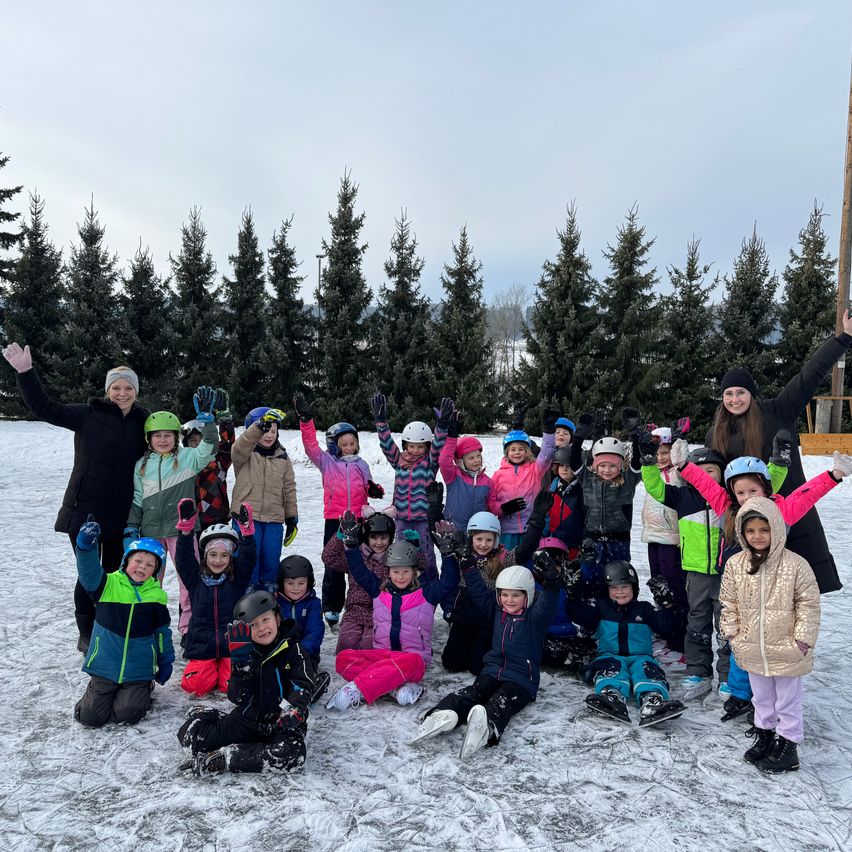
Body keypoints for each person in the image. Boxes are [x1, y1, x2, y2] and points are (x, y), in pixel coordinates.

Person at [2, 343, 149, 652]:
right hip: (85, 509)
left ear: (136, 391)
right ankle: (86, 630)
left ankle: (108, 625)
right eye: (116, 388)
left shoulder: (143, 423)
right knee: (88, 573)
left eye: (128, 388)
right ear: (108, 390)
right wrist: (26, 373)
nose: (122, 393)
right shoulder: (88, 414)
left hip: (122, 511)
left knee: (114, 572)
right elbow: (44, 408)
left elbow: (166, 445)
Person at [707, 311, 852, 593]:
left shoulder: (777, 411)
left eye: (741, 392)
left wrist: (843, 338)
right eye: (728, 394)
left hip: (791, 515)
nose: (735, 399)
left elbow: (809, 375)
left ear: (751, 394)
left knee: (798, 592)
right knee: (756, 594)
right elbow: (713, 481)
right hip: (749, 526)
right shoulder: (716, 434)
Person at [412, 552, 561, 759]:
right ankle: (445, 713)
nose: (509, 600)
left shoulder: (534, 619)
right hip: (493, 670)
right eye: (504, 595)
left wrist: (552, 582)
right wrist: (469, 567)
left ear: (527, 595)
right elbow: (480, 592)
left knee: (502, 699)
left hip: (521, 679)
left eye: (516, 595)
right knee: (474, 691)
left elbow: (548, 604)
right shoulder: (497, 611)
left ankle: (488, 726)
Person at [720, 498, 820, 773]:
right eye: (751, 531)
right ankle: (765, 735)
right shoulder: (736, 564)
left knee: (787, 700)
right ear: (742, 532)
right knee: (761, 697)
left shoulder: (795, 564)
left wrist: (801, 640)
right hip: (752, 646)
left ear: (776, 528)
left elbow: (809, 604)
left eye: (764, 530)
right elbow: (728, 601)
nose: (757, 536)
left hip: (787, 647)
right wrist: (733, 633)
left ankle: (788, 745)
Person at [324, 513, 460, 710]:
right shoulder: (378, 590)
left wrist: (447, 554)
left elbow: (450, 581)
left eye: (406, 571)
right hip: (384, 656)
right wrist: (351, 545)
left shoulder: (427, 594)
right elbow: (359, 571)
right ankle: (395, 688)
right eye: (395, 571)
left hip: (411, 660)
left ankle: (358, 689)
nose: (400, 576)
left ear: (414, 571)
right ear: (387, 572)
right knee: (343, 659)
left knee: (414, 662)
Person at [177, 590, 315, 775]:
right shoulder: (245, 653)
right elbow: (238, 698)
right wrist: (240, 663)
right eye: (253, 625)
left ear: (277, 619)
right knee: (194, 740)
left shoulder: (294, 650)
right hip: (248, 719)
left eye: (265, 619)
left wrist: (295, 708)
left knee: (292, 755)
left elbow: (303, 683)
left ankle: (223, 760)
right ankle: (208, 715)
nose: (261, 628)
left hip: (283, 723)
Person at [125, 390, 219, 637]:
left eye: (168, 435)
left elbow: (209, 448)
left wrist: (208, 424)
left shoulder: (188, 458)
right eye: (157, 436)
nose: (163, 440)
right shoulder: (142, 465)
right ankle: (148, 626)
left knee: (189, 580)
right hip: (151, 531)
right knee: (148, 580)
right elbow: (137, 499)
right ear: (149, 439)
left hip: (182, 531)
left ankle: (190, 628)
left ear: (176, 437)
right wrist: (132, 525)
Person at [640, 443, 726, 700]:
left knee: (727, 627)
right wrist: (648, 463)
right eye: (699, 471)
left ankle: (728, 675)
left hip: (725, 574)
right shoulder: (682, 496)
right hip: (695, 572)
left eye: (710, 470)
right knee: (697, 623)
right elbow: (655, 488)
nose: (704, 476)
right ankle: (698, 671)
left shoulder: (727, 498)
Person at [73, 518, 173, 727]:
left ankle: (143, 688)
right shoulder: (108, 585)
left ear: (155, 571)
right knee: (89, 717)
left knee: (127, 714)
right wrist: (85, 546)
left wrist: (165, 662)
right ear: (126, 560)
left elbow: (162, 634)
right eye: (138, 560)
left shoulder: (156, 597)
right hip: (104, 666)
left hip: (138, 670)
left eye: (150, 565)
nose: (142, 567)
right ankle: (101, 693)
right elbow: (89, 571)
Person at [293, 393, 380, 631]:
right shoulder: (327, 462)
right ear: (335, 445)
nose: (349, 448)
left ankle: (362, 603)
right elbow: (310, 446)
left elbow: (368, 486)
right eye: (344, 444)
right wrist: (306, 421)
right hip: (335, 520)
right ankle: (332, 607)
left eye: (352, 443)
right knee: (333, 562)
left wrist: (374, 490)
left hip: (359, 519)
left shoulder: (362, 464)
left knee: (360, 562)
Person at [442, 493, 553, 676]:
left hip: (487, 623)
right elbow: (442, 540)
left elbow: (525, 550)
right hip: (462, 619)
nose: (483, 544)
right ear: (471, 539)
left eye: (489, 540)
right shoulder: (463, 555)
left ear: (496, 540)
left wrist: (537, 519)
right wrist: (434, 510)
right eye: (479, 539)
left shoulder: (503, 559)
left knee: (478, 668)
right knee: (451, 663)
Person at [565, 560, 686, 726]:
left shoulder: (644, 609)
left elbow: (667, 626)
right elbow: (579, 614)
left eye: (624, 587)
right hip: (610, 655)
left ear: (634, 588)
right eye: (614, 588)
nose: (619, 592)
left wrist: (668, 604)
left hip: (641, 657)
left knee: (647, 670)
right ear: (607, 590)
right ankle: (612, 696)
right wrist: (572, 595)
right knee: (610, 669)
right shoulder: (602, 609)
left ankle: (652, 699)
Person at [174, 500, 256, 696]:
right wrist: (186, 531)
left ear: (230, 557)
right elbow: (184, 559)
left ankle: (223, 670)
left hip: (232, 646)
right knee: (195, 686)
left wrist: (247, 534)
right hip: (202, 646)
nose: (218, 560)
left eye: (224, 555)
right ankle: (210, 669)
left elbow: (248, 559)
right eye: (213, 554)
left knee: (233, 687)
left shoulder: (236, 578)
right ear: (205, 555)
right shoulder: (195, 579)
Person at [322, 508, 429, 653]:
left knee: (370, 646)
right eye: (374, 537)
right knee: (347, 643)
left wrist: (415, 550)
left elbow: (420, 570)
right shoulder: (355, 555)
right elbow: (329, 557)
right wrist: (341, 536)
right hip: (355, 611)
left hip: (383, 613)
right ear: (367, 537)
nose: (379, 542)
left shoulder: (395, 558)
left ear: (390, 537)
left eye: (383, 537)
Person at [371, 393, 451, 579]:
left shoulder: (429, 463)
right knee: (403, 553)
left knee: (425, 553)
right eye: (411, 446)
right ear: (405, 445)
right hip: (402, 518)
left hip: (422, 519)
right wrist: (381, 422)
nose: (415, 450)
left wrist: (442, 426)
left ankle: (430, 581)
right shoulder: (399, 461)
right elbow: (387, 445)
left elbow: (438, 446)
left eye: (420, 447)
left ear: (426, 447)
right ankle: (405, 584)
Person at [568, 410, 643, 595]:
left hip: (619, 542)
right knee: (590, 582)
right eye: (602, 465)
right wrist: (579, 437)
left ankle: (618, 609)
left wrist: (635, 434)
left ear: (620, 466)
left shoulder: (627, 481)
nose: (607, 470)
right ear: (595, 466)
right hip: (592, 541)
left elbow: (637, 463)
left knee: (618, 581)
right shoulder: (588, 479)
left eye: (612, 466)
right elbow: (574, 462)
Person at [231, 406, 298, 593]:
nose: (269, 435)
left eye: (273, 431)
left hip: (274, 519)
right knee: (248, 562)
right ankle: (246, 597)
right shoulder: (244, 454)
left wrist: (291, 517)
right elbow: (239, 447)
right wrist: (259, 426)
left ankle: (268, 597)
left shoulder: (283, 457)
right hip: (246, 519)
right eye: (265, 430)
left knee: (270, 561)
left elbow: (289, 488)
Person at [487, 408, 558, 548]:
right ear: (507, 452)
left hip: (530, 528)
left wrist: (549, 430)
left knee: (530, 560)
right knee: (508, 560)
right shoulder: (498, 475)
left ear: (527, 452)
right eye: (513, 449)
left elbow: (547, 454)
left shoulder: (535, 469)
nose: (517, 453)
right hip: (507, 531)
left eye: (521, 449)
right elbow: (491, 504)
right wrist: (504, 508)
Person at [180, 387, 235, 530]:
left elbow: (228, 444)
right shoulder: (185, 464)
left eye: (202, 440)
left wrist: (224, 418)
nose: (198, 443)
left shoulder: (219, 461)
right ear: (186, 445)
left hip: (219, 519)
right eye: (193, 441)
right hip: (193, 523)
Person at [438, 410, 493, 532]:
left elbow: (492, 507)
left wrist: (503, 509)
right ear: (460, 461)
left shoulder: (488, 482)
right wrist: (452, 436)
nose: (476, 460)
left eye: (478, 456)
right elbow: (444, 461)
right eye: (471, 458)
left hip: (477, 531)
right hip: (453, 529)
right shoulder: (454, 476)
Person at [276, 555, 325, 668]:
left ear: (309, 582)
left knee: (304, 668)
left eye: (301, 583)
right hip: (281, 651)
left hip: (306, 651)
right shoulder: (276, 603)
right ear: (281, 583)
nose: (296, 588)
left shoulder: (313, 604)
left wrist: (302, 651)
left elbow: (315, 630)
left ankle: (307, 678)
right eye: (290, 583)